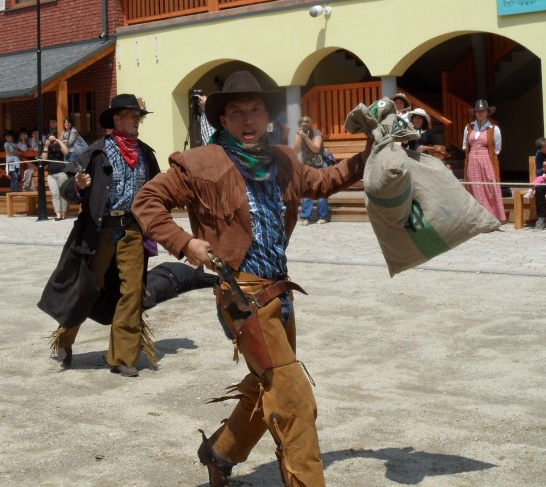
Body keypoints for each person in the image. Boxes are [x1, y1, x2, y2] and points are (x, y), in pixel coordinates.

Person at [133, 70, 371, 486]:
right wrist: (185, 243)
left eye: (255, 110)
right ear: (223, 120)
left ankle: (220, 453)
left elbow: (322, 181)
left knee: (268, 386)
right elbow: (147, 200)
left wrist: (371, 154)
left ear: (266, 116)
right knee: (294, 399)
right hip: (242, 295)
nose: (248, 120)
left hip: (281, 291)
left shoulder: (281, 158)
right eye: (237, 111)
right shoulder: (200, 162)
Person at [38, 94, 160, 376]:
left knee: (132, 291)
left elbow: (156, 190)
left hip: (132, 230)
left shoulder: (145, 154)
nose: (137, 122)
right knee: (86, 287)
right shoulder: (96, 152)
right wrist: (79, 185)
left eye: (138, 117)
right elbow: (67, 186)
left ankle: (122, 358)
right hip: (100, 231)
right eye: (132, 117)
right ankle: (65, 339)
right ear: (117, 119)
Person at [463, 99, 506, 222]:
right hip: (472, 160)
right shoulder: (469, 127)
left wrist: (485, 157)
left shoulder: (494, 128)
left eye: (482, 111)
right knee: (474, 187)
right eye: (478, 111)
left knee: (489, 187)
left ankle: (491, 218)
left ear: (487, 112)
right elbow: (465, 145)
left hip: (487, 160)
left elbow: (497, 148)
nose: (480, 113)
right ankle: (477, 219)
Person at [294, 115, 331, 225]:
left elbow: (316, 148)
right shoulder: (299, 134)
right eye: (302, 124)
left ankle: (323, 216)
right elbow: (296, 150)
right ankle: (305, 217)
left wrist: (306, 138)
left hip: (319, 164)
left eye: (306, 124)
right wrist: (300, 137)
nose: (304, 126)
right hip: (308, 165)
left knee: (322, 189)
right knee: (307, 190)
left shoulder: (316, 132)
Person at [143, 261, 218, 311]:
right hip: (156, 273)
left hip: (169, 278)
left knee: (149, 290)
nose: (190, 259)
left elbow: (216, 280)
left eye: (194, 261)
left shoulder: (195, 275)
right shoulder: (187, 270)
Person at [42, 134, 70, 220]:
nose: (52, 142)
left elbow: (66, 152)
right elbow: (44, 160)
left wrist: (58, 141)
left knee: (62, 194)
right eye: (50, 140)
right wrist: (46, 146)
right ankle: (58, 213)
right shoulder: (47, 149)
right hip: (51, 175)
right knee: (55, 194)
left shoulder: (59, 147)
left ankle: (63, 212)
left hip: (61, 173)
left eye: (53, 140)